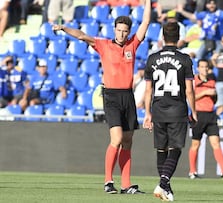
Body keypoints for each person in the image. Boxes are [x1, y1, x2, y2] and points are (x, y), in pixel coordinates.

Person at [52, 0, 152, 194]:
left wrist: (147, 1)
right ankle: (108, 181)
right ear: (114, 29)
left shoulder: (133, 45)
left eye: (125, 31)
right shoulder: (103, 45)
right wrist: (64, 28)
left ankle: (126, 185)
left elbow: (146, 22)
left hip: (128, 97)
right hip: (112, 96)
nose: (122, 34)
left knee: (128, 141)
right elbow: (81, 35)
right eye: (119, 30)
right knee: (116, 139)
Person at [142, 22, 197, 202]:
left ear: (163, 36)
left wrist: (147, 114)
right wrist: (194, 111)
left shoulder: (152, 59)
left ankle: (166, 189)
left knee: (161, 150)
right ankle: (163, 183)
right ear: (179, 36)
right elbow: (189, 90)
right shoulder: (185, 59)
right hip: (177, 110)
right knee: (176, 149)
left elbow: (148, 90)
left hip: (158, 109)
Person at [188, 59, 223, 180]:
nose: (204, 69)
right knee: (195, 143)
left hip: (210, 115)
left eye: (206, 67)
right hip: (198, 114)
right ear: (198, 68)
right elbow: (190, 97)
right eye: (202, 67)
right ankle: (192, 171)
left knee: (216, 143)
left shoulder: (212, 81)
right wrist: (204, 93)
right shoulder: (193, 81)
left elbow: (214, 98)